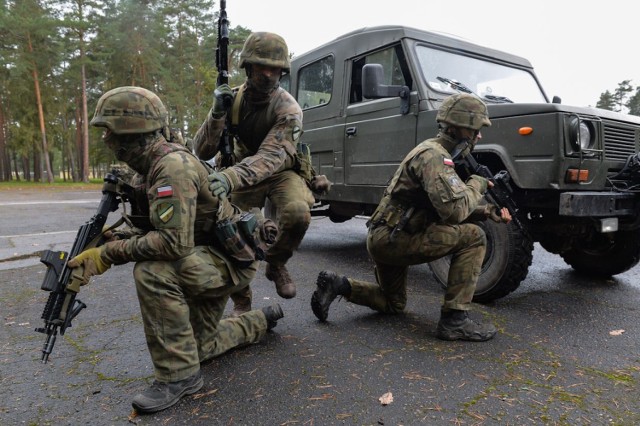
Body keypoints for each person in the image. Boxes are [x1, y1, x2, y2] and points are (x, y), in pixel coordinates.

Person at [67, 86, 284, 414]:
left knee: (153, 271)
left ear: (131, 131)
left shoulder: (171, 168)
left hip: (226, 262)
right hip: (211, 257)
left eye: (107, 130)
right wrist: (113, 241)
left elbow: (172, 243)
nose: (105, 139)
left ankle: (179, 377)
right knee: (200, 347)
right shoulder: (151, 165)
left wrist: (107, 256)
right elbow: (158, 228)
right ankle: (261, 321)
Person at [310, 93, 511, 342]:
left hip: (386, 236)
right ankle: (454, 320)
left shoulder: (434, 153)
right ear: (461, 127)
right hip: (397, 238)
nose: (479, 136)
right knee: (475, 237)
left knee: (393, 303)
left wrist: (484, 211)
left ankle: (339, 285)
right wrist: (478, 184)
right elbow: (454, 211)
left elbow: (441, 204)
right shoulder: (434, 157)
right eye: (477, 130)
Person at [193, 32, 329, 316]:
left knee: (297, 213)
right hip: (242, 167)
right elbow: (203, 150)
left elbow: (271, 157)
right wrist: (217, 114)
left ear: (283, 71)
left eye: (275, 68)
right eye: (261, 66)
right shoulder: (233, 100)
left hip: (279, 170)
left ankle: (276, 263)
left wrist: (230, 177)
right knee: (227, 233)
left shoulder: (288, 108)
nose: (268, 74)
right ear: (247, 67)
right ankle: (242, 299)